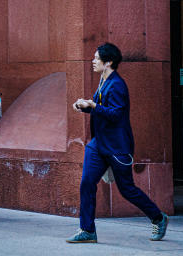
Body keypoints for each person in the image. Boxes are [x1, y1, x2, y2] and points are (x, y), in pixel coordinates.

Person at [67, 42, 168, 244]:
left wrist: (93, 105)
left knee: (127, 189)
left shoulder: (117, 85)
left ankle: (158, 217)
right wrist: (85, 106)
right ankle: (87, 230)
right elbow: (102, 110)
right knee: (87, 183)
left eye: (97, 58)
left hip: (117, 146)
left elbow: (115, 115)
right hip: (98, 144)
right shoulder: (104, 81)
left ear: (108, 62)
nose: (93, 61)